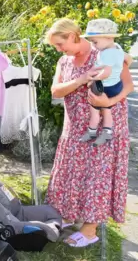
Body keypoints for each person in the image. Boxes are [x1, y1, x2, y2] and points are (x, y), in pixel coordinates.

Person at [45, 18, 132, 247]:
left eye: (60, 44)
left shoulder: (104, 51)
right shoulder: (64, 61)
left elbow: (128, 84)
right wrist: (82, 79)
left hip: (105, 127)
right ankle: (67, 215)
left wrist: (108, 99)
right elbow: (56, 90)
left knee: (97, 178)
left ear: (73, 36)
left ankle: (90, 229)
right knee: (71, 175)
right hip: (75, 129)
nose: (58, 50)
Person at [79, 19, 133, 146]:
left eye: (95, 42)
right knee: (106, 110)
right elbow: (127, 60)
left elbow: (106, 72)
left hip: (106, 86)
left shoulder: (107, 53)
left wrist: (93, 79)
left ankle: (92, 131)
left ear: (108, 37)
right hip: (115, 85)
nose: (93, 45)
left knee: (95, 109)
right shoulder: (118, 49)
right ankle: (106, 132)